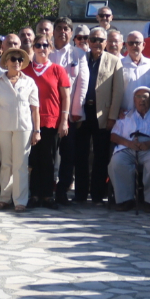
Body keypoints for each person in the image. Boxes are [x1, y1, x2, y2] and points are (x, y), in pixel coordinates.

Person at [71, 27, 126, 204]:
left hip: (102, 115)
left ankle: (96, 194)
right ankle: (80, 194)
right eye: (93, 40)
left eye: (100, 40)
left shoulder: (114, 61)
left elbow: (117, 91)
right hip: (83, 112)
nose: (96, 43)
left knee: (101, 157)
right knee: (81, 155)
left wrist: (112, 117)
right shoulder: (81, 58)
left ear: (106, 42)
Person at [0, 48, 40, 211]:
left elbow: (35, 109)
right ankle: (4, 197)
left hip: (23, 128)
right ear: (7, 61)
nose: (17, 62)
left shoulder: (29, 82)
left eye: (20, 60)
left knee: (21, 164)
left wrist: (37, 130)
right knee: (6, 164)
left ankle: (20, 201)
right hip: (2, 127)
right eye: (14, 59)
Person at [25, 36, 70, 209]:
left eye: (45, 45)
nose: (42, 48)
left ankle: (47, 195)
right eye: (38, 45)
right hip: (28, 121)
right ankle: (34, 195)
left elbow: (65, 97)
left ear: (50, 48)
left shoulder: (58, 70)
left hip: (51, 120)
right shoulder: (25, 69)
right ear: (33, 47)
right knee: (33, 159)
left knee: (49, 159)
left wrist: (64, 121)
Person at [109, 85, 150, 211]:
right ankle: (125, 200)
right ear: (134, 100)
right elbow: (113, 136)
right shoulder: (125, 116)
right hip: (128, 147)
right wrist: (129, 143)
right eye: (138, 97)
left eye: (145, 97)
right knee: (117, 162)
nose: (142, 100)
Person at [52, 22, 87, 206]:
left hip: (69, 114)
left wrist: (76, 112)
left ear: (71, 33)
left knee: (68, 154)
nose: (62, 32)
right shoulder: (46, 52)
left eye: (66, 29)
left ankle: (62, 190)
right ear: (53, 32)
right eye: (59, 28)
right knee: (49, 153)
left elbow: (82, 84)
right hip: (48, 113)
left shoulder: (78, 54)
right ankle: (45, 188)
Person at [119, 31, 150, 114]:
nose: (134, 46)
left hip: (148, 116)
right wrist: (117, 111)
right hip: (125, 116)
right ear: (126, 45)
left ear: (143, 45)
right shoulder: (119, 65)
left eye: (137, 43)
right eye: (131, 43)